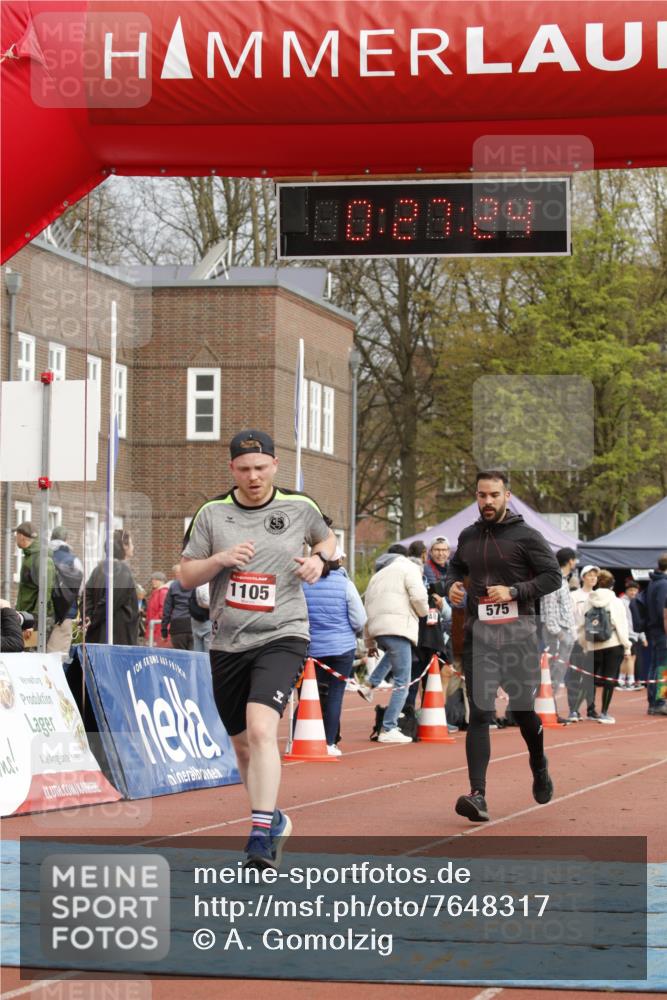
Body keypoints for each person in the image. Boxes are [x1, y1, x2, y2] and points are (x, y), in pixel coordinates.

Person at [180, 429, 335, 869]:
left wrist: (318, 561)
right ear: (232, 469)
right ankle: (274, 819)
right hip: (228, 641)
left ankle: (260, 834)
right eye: (244, 469)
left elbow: (327, 539)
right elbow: (187, 576)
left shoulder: (299, 507)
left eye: (260, 468)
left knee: (263, 729)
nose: (253, 477)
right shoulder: (211, 514)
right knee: (243, 745)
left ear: (274, 466)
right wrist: (220, 561)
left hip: (283, 633)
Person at [444, 471, 561, 823]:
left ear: (507, 496)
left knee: (523, 712)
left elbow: (553, 577)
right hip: (481, 637)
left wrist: (514, 591)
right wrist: (451, 586)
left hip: (520, 637)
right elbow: (454, 566)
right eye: (482, 496)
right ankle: (477, 795)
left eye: (494, 495)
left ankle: (538, 765)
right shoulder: (467, 536)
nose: (488, 502)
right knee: (479, 712)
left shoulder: (527, 536)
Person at [359, 543, 429, 743]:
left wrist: (370, 642)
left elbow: (367, 609)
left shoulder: (377, 576)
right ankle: (388, 728)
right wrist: (423, 612)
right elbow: (419, 596)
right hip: (399, 625)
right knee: (402, 682)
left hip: (380, 629)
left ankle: (369, 685)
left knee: (392, 654)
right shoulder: (409, 568)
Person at [302, 546, 367, 755]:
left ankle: (300, 736)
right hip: (341, 648)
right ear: (339, 561)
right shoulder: (346, 585)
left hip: (312, 647)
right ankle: (329, 742)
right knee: (335, 695)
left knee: (309, 693)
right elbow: (360, 620)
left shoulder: (304, 584)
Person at [579, 569, 630, 724]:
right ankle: (604, 712)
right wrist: (626, 646)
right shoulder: (615, 601)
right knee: (609, 678)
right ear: (612, 584)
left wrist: (584, 645)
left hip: (593, 644)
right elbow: (621, 625)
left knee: (589, 678)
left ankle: (587, 710)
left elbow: (582, 625)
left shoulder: (589, 600)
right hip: (612, 643)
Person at [84, 529, 139, 645]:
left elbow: (86, 595)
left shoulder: (97, 569)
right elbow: (111, 600)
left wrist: (88, 615)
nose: (133, 547)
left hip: (98, 635)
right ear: (124, 546)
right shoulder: (122, 571)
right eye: (131, 543)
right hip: (117, 635)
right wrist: (92, 619)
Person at [539, 547, 577, 695]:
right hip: (557, 632)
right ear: (570, 561)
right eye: (574, 560)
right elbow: (549, 608)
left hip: (563, 630)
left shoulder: (563, 580)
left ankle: (550, 705)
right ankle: (546, 706)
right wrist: (560, 634)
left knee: (558, 671)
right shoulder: (555, 580)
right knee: (553, 670)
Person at [566, 565, 600, 720]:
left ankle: (591, 709)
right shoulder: (574, 596)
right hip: (577, 641)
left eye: (595, 576)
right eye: (590, 575)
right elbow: (570, 618)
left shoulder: (599, 595)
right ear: (583, 577)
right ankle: (573, 709)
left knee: (591, 677)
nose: (593, 578)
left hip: (595, 643)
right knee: (574, 676)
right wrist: (575, 638)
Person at [15, 521, 56, 643]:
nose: (15, 539)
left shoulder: (41, 558)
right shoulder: (30, 556)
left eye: (16, 535)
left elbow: (45, 592)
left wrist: (33, 621)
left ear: (22, 536)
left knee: (33, 656)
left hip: (34, 621)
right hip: (27, 617)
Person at [47, 526, 83, 655]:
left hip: (41, 613)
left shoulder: (42, 556)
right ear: (66, 539)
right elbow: (79, 590)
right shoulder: (73, 560)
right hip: (64, 615)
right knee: (58, 658)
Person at [645, 553, 667, 716]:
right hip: (662, 630)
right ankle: (660, 701)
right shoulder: (663, 584)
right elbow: (663, 611)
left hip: (654, 629)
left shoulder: (654, 582)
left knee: (655, 666)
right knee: (662, 667)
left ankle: (654, 701)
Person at [619, 580, 646, 690]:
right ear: (626, 591)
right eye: (631, 590)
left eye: (635, 590)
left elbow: (639, 620)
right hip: (625, 634)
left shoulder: (637, 602)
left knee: (630, 658)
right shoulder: (621, 602)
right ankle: (629, 681)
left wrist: (642, 637)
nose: (633, 592)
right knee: (628, 657)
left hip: (635, 635)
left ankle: (622, 681)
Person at [161, 564, 194, 650]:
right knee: (194, 659)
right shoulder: (197, 583)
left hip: (177, 626)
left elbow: (167, 610)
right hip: (193, 624)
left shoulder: (173, 586)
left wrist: (164, 630)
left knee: (180, 659)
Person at [145, 571, 170, 647]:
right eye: (152, 579)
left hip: (158, 627)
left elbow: (163, 610)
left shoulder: (163, 592)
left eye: (156, 579)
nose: (153, 581)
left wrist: (153, 622)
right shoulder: (155, 592)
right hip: (152, 627)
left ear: (162, 581)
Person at [190, 582, 212, 652]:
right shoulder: (208, 584)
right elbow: (207, 602)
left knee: (197, 649)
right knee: (207, 652)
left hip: (195, 618)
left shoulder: (195, 584)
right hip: (207, 619)